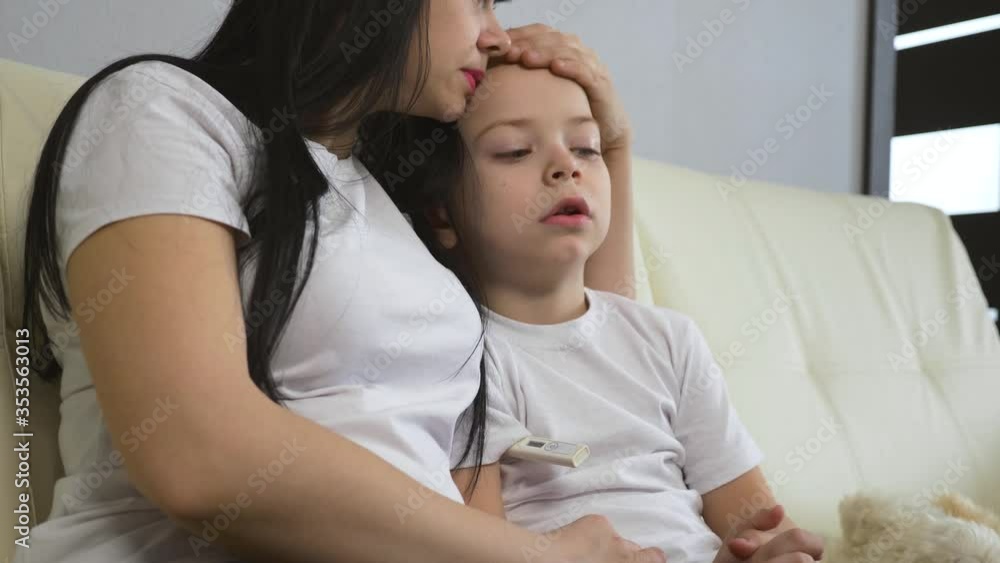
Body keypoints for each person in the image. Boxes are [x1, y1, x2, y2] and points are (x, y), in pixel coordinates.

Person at [18, 2, 664, 562]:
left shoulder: (400, 211)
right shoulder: (165, 109)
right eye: (480, 0)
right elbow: (199, 458)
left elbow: (593, 337)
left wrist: (615, 142)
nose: (496, 35)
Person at [363, 62, 827, 563]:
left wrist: (769, 550)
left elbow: (751, 517)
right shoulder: (457, 355)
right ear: (440, 213)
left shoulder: (668, 339)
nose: (567, 166)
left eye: (586, 147)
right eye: (515, 151)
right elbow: (481, 541)